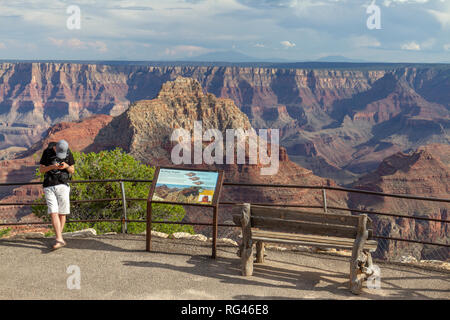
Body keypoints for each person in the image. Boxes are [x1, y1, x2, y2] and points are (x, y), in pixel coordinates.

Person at [39, 140, 75, 250]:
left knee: (62, 213)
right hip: (49, 185)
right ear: (55, 147)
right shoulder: (47, 152)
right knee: (53, 212)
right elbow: (41, 170)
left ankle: (59, 238)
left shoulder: (68, 152)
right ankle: (59, 239)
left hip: (63, 185)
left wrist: (66, 166)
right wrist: (52, 167)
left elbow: (72, 170)